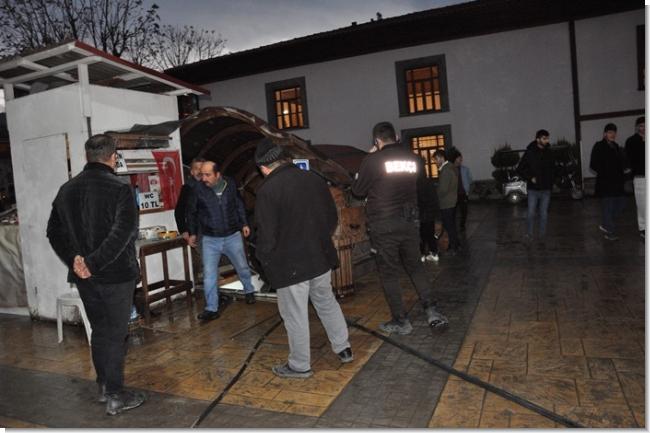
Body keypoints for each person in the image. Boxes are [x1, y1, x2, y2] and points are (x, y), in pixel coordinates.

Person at [46, 134, 146, 416]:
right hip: (115, 275)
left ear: (87, 156)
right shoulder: (121, 189)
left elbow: (53, 232)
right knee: (115, 335)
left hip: (85, 278)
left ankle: (104, 387)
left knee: (100, 331)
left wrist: (76, 260)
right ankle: (115, 396)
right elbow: (122, 234)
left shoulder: (66, 189)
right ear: (113, 157)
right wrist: (92, 262)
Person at [254, 139, 352, 379]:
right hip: (319, 257)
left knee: (294, 314)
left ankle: (299, 365)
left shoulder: (268, 190)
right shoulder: (314, 179)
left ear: (263, 168)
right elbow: (331, 218)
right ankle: (343, 348)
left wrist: (264, 263)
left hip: (290, 265)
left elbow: (266, 236)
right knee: (326, 302)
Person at [351, 121, 448, 335]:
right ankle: (432, 311)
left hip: (384, 224)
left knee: (389, 272)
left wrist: (368, 159)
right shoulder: (412, 158)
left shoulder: (372, 160)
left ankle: (401, 321)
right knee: (415, 267)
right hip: (409, 222)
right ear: (395, 137)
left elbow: (357, 191)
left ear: (377, 141)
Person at [186, 160, 256, 319]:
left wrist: (244, 223)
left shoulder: (230, 184)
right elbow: (191, 212)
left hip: (232, 236)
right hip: (210, 239)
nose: (204, 178)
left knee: (243, 267)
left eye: (207, 175)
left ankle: (249, 291)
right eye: (202, 174)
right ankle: (212, 308)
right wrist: (192, 233)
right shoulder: (197, 189)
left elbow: (238, 204)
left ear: (218, 175)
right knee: (209, 274)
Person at [590, 123, 627, 241]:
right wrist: (605, 172)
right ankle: (610, 231)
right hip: (605, 183)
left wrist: (624, 169)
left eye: (614, 132)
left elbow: (620, 163)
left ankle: (606, 224)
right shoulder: (598, 146)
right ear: (605, 134)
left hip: (617, 184)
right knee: (608, 207)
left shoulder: (616, 146)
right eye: (610, 132)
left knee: (621, 204)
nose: (613, 135)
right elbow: (593, 164)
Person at [516, 129, 554, 240]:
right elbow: (520, 169)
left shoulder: (549, 152)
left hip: (546, 189)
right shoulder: (530, 152)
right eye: (544, 138)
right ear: (538, 139)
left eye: (547, 138)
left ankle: (542, 235)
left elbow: (553, 169)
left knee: (544, 213)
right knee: (531, 213)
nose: (547, 141)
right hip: (533, 189)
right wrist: (530, 177)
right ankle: (529, 234)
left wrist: (551, 181)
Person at [434, 149, 460, 254]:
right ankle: (455, 244)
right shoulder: (451, 167)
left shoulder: (446, 170)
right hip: (452, 201)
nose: (435, 162)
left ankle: (454, 247)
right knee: (451, 225)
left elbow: (443, 190)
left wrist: (436, 193)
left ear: (441, 158)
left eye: (436, 159)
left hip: (446, 202)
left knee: (449, 226)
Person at [174, 157, 205, 242]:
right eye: (196, 168)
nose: (199, 171)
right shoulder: (187, 188)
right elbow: (179, 210)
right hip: (197, 232)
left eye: (201, 168)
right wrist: (183, 230)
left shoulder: (211, 185)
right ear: (192, 172)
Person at [625, 116, 645, 240]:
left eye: (646, 125)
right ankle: (643, 228)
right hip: (640, 177)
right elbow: (629, 159)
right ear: (637, 127)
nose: (644, 128)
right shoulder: (631, 141)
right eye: (641, 126)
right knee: (642, 204)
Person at [417, 165, 440, 262]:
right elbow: (435, 198)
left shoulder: (416, 183)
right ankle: (434, 253)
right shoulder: (430, 183)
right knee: (430, 234)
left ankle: (421, 254)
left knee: (421, 235)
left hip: (420, 213)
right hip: (430, 213)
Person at [453, 152, 472, 231]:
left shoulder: (465, 169)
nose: (461, 159)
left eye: (461, 158)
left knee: (464, 210)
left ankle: (462, 225)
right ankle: (453, 225)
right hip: (454, 194)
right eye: (459, 158)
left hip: (463, 194)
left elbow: (470, 179)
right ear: (455, 159)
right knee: (453, 210)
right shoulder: (451, 169)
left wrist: (466, 187)